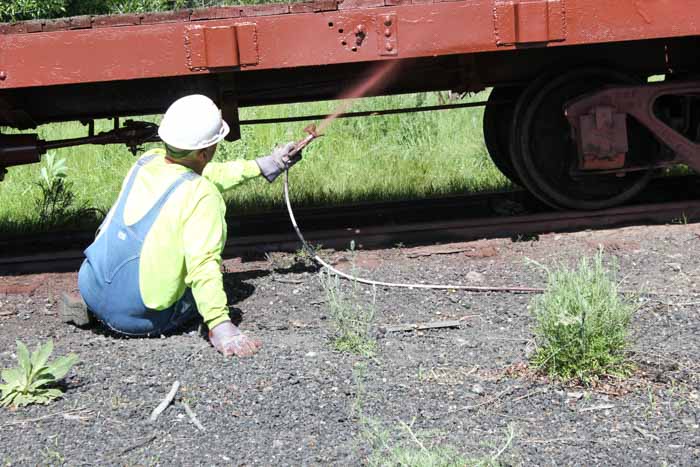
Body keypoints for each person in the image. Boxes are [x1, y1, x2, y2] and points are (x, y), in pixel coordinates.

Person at [61, 94, 301, 357]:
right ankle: (124, 314)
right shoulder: (202, 194)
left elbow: (203, 173)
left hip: (91, 289)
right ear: (205, 151)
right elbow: (203, 265)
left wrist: (263, 165)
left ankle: (102, 309)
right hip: (137, 318)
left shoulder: (147, 162)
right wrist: (221, 326)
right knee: (203, 284)